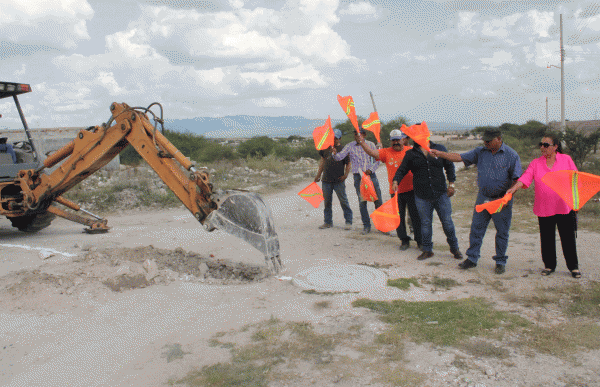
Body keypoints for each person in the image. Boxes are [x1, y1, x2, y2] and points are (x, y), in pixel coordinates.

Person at [431, 129, 522, 274]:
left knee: (502, 232)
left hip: (501, 200)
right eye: (484, 141)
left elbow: (518, 179)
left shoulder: (511, 155)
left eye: (488, 141)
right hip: (483, 197)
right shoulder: (480, 152)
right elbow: (459, 157)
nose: (485, 143)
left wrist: (508, 197)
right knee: (476, 229)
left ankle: (500, 261)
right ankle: (472, 258)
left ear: (498, 139)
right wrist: (440, 154)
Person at [506, 134, 580, 278]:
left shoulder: (566, 160)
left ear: (555, 147)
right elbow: (526, 177)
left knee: (568, 238)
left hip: (564, 206)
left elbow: (575, 179)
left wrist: (576, 202)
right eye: (541, 144)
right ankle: (549, 265)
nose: (542, 147)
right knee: (546, 238)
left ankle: (573, 267)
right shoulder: (536, 163)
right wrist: (514, 188)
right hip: (544, 207)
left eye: (546, 145)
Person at [392, 127, 462, 261]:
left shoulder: (439, 148)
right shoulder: (411, 154)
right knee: (425, 224)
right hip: (421, 196)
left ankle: (454, 249)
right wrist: (396, 180)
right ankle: (427, 250)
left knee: (447, 223)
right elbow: (402, 170)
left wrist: (451, 184)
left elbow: (449, 166)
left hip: (441, 193)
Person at [357, 129, 422, 250]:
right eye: (393, 140)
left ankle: (420, 241)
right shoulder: (386, 152)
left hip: (412, 189)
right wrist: (362, 143)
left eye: (398, 140)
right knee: (398, 218)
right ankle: (404, 240)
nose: (396, 142)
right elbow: (372, 153)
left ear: (403, 139)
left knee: (415, 217)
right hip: (396, 192)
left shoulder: (410, 151)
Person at [331, 127, 383, 234]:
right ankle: (366, 226)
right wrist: (334, 153)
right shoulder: (350, 146)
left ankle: (381, 226)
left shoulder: (371, 145)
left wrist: (371, 169)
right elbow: (339, 157)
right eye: (355, 134)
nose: (357, 136)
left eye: (359, 134)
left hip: (371, 175)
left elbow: (378, 160)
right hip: (358, 177)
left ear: (364, 135)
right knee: (362, 201)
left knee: (378, 200)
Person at [314, 129, 353, 230]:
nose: (334, 139)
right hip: (326, 180)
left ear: (340, 138)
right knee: (327, 202)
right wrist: (318, 175)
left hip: (339, 180)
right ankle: (327, 222)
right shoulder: (325, 148)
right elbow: (322, 162)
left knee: (343, 201)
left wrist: (346, 175)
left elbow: (348, 163)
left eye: (336, 138)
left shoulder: (343, 149)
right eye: (332, 137)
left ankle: (348, 221)